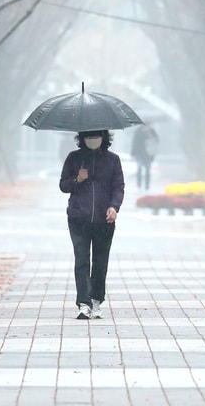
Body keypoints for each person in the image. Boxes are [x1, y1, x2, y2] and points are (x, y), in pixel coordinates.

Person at [59, 129, 125, 320]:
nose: (92, 140)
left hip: (105, 219)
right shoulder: (74, 158)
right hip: (78, 217)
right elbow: (63, 186)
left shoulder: (113, 160)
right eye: (88, 136)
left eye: (96, 136)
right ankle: (83, 303)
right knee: (81, 260)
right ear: (81, 138)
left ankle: (96, 299)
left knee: (100, 261)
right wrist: (77, 180)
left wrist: (114, 206)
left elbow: (118, 187)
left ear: (104, 137)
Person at [131, 123, 159, 191]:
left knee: (147, 170)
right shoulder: (138, 131)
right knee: (139, 169)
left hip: (148, 155)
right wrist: (133, 153)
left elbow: (156, 141)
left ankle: (147, 185)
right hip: (139, 154)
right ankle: (139, 184)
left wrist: (150, 134)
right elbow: (135, 143)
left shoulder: (151, 131)